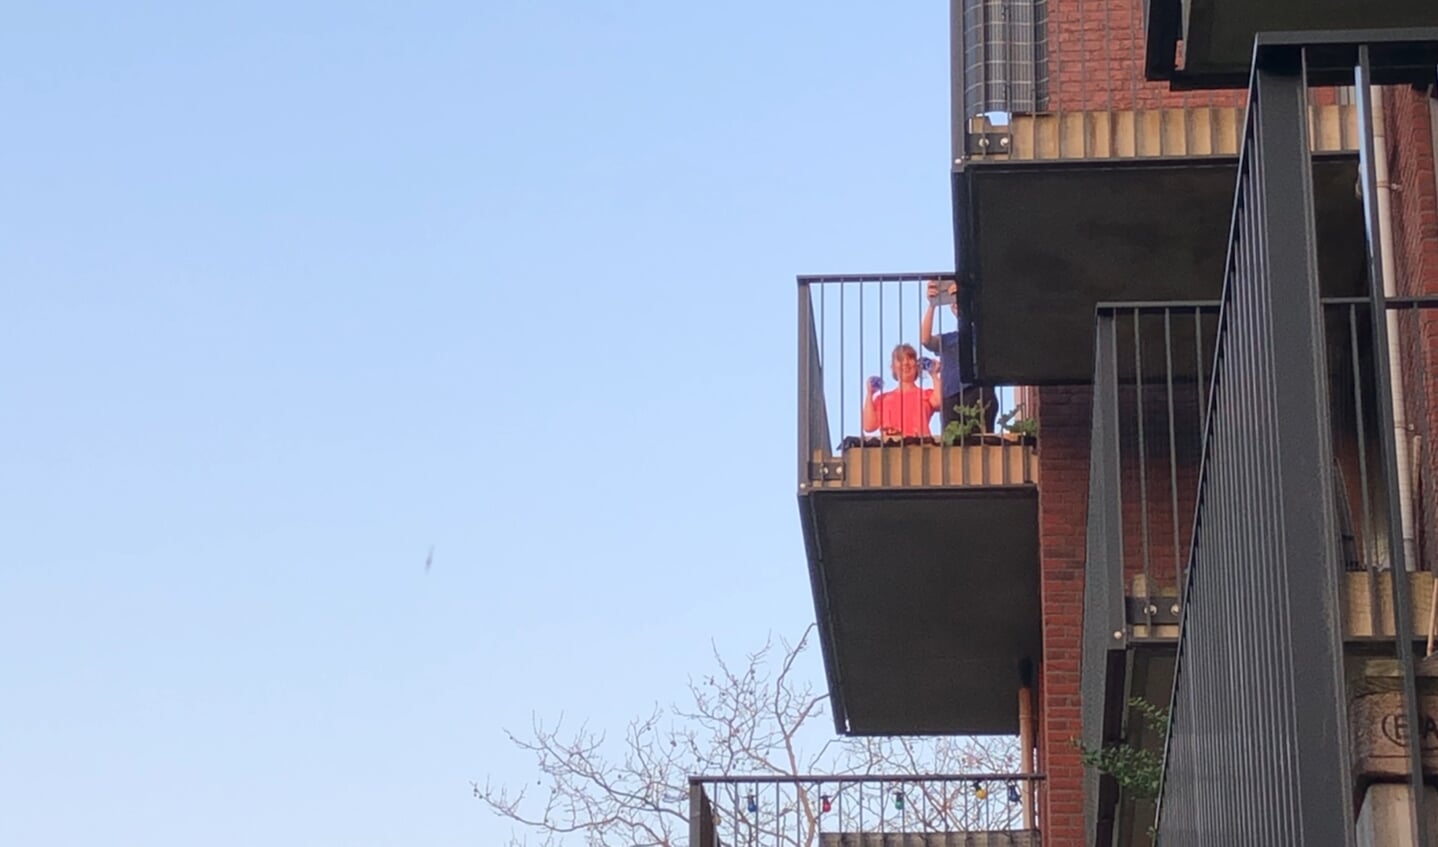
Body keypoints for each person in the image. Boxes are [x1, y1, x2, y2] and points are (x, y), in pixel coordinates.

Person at [921, 279, 998, 433]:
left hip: (977, 390)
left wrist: (965, 300)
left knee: (979, 440)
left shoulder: (983, 331)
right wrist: (932, 304)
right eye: (954, 302)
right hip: (951, 396)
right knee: (952, 447)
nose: (956, 303)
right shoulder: (948, 338)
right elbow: (925, 339)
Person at [862, 343, 943, 439]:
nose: (905, 363)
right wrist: (869, 394)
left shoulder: (926, 395)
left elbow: (939, 403)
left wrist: (934, 374)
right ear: (893, 367)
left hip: (920, 449)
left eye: (910, 358)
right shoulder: (882, 399)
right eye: (900, 359)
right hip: (890, 449)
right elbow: (869, 426)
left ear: (917, 365)